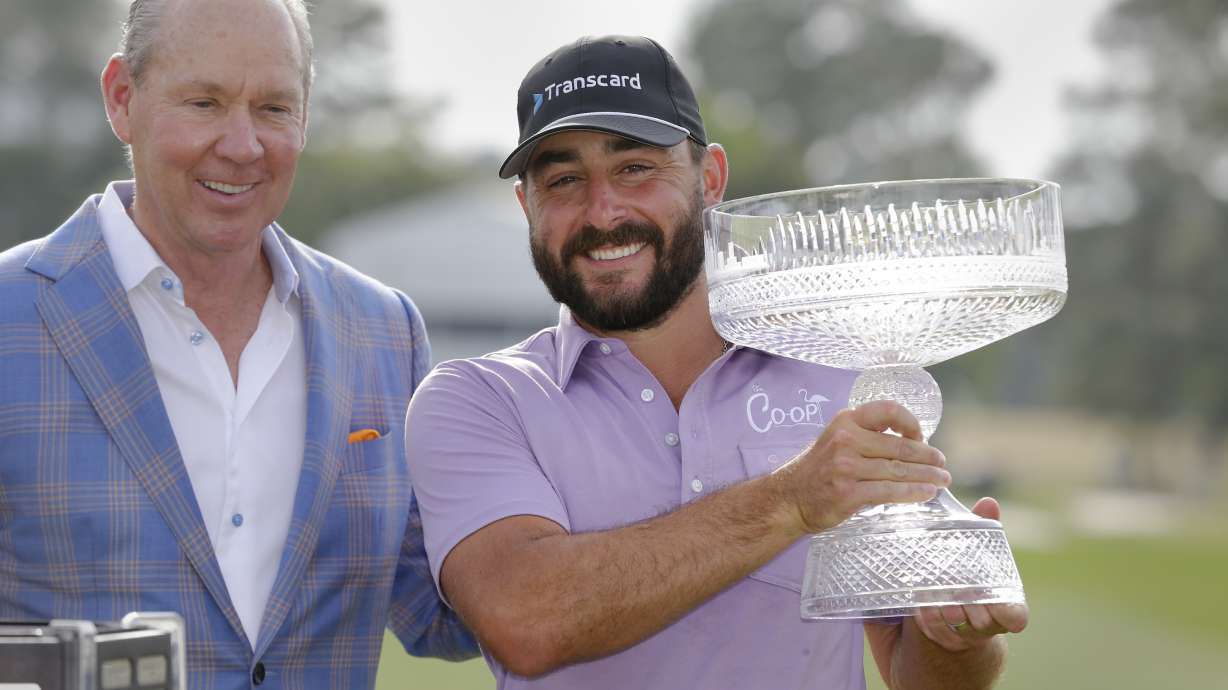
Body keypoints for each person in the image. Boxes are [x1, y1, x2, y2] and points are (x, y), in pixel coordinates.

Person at [405, 35, 1028, 690]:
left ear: (710, 180)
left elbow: (922, 674)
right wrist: (791, 499)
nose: (602, 210)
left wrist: (955, 636)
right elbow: (527, 620)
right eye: (563, 180)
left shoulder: (840, 374)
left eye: (636, 168)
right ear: (527, 206)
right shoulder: (475, 401)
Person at [0, 0, 477, 686]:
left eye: (275, 108)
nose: (243, 144)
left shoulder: (381, 331)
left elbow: (441, 609)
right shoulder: (10, 317)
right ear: (121, 99)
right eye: (204, 102)